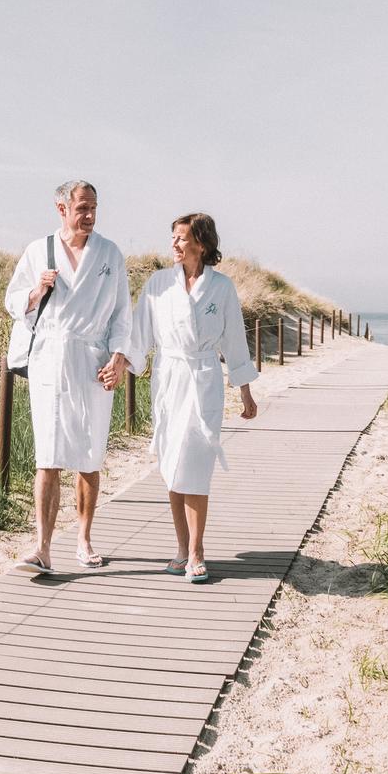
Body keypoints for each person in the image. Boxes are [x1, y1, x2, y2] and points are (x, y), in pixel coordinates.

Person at [3, 179, 134, 572]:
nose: (89, 215)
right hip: (51, 358)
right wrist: (36, 292)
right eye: (82, 208)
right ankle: (42, 547)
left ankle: (84, 537)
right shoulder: (38, 251)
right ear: (62, 209)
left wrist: (119, 359)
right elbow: (12, 301)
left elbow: (122, 315)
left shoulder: (110, 254)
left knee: (89, 455)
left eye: (94, 207)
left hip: (93, 360)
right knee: (49, 454)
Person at [127, 213, 260, 582]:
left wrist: (244, 389)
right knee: (172, 465)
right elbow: (140, 334)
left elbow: (234, 339)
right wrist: (122, 365)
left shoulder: (221, 288)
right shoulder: (158, 284)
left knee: (196, 467)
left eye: (181, 238)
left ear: (201, 244)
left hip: (203, 380)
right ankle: (181, 548)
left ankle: (198, 550)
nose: (174, 244)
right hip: (169, 380)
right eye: (172, 237)